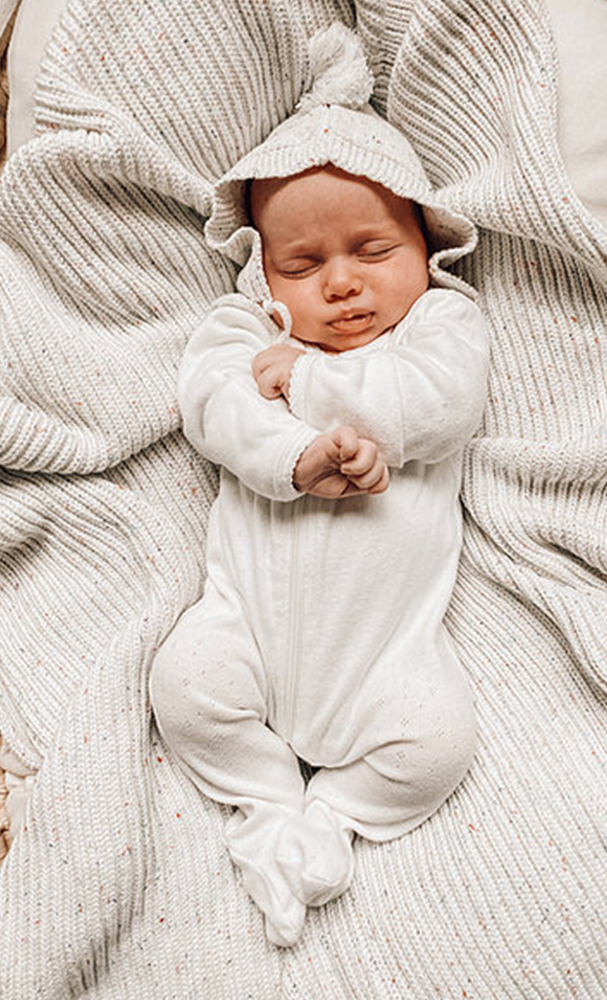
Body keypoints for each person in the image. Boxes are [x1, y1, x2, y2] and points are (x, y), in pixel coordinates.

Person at [149, 25, 489, 948]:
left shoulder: (440, 329)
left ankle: (333, 813)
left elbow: (436, 406)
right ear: (263, 269)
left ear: (424, 245)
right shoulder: (240, 328)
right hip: (244, 623)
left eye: (371, 251)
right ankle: (264, 802)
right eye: (303, 265)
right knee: (184, 683)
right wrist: (293, 460)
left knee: (435, 741)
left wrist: (300, 382)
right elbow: (212, 407)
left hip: (390, 654)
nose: (339, 284)